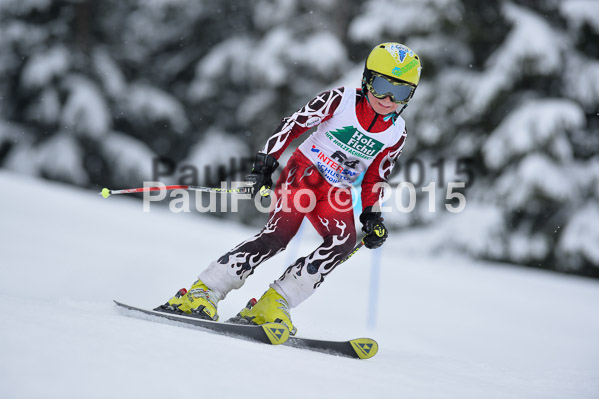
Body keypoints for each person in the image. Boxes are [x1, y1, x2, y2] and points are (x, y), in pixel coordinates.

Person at [157, 42, 422, 335]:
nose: (387, 98)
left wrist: (372, 217)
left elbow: (375, 176)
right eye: (382, 85)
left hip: (337, 191)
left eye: (400, 92)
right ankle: (203, 291)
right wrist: (265, 165)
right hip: (305, 173)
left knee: (342, 243)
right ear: (366, 79)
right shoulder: (340, 100)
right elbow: (292, 125)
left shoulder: (397, 133)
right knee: (279, 235)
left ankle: (273, 302)